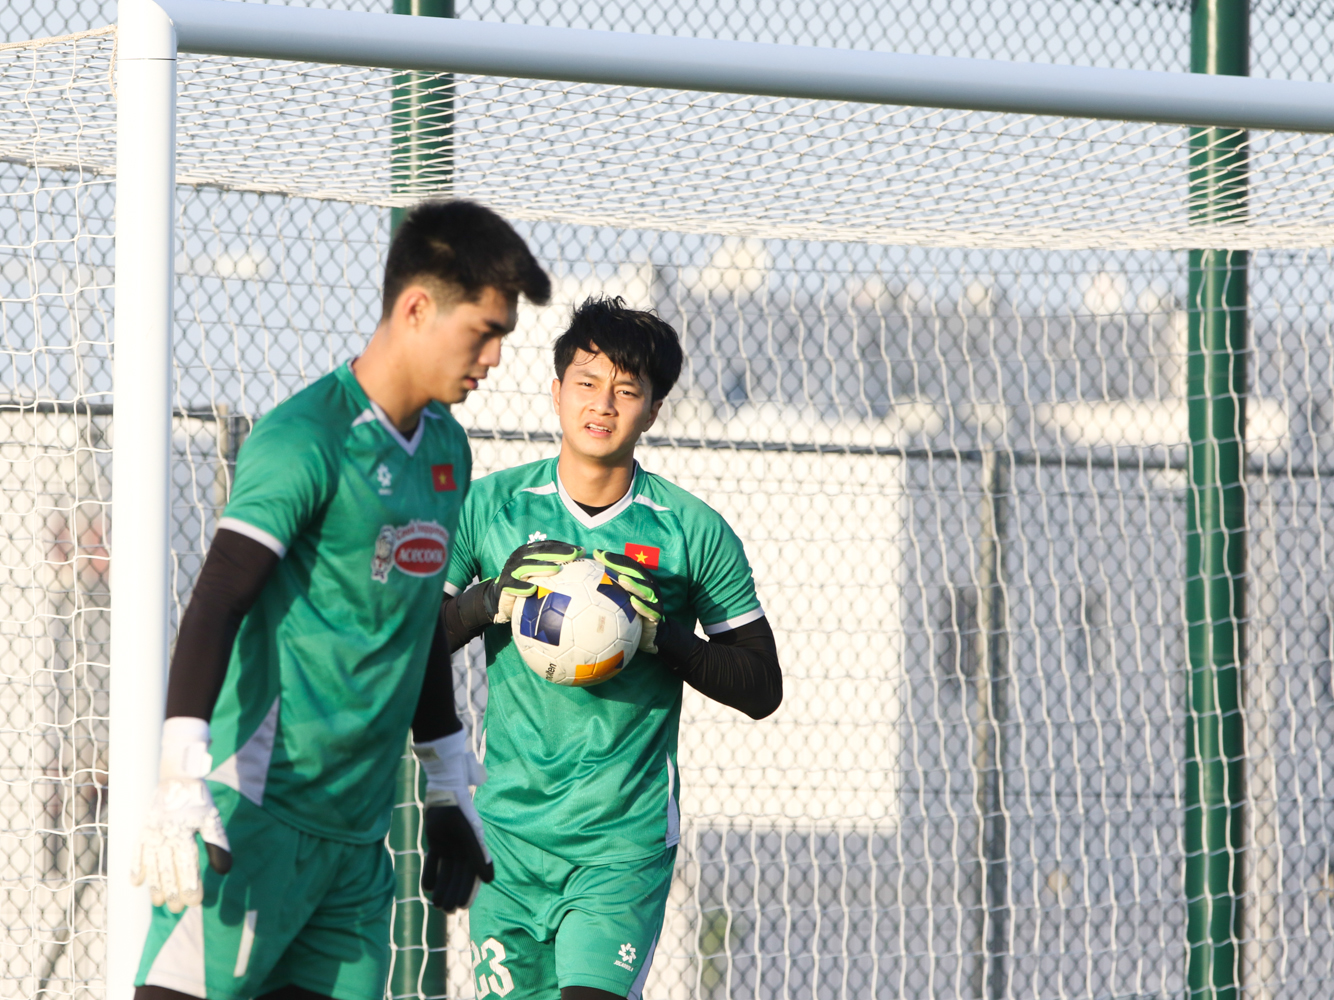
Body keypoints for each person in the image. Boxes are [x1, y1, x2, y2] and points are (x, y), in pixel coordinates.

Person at [130, 200, 551, 1000]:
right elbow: (217, 599)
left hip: (359, 845)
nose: (495, 357)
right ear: (417, 308)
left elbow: (417, 623)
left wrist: (447, 782)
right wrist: (181, 776)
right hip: (254, 819)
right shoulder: (306, 438)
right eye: (484, 332)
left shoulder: (447, 449)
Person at [442, 296, 783, 1000]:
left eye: (627, 391)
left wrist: (663, 638)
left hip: (620, 845)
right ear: (557, 391)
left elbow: (761, 686)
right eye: (587, 382)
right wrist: (489, 600)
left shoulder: (691, 531)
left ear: (653, 410)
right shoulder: (489, 507)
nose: (602, 404)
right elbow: (405, 640)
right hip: (506, 837)